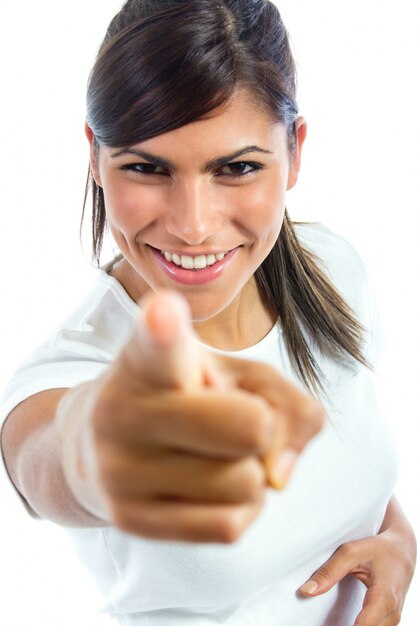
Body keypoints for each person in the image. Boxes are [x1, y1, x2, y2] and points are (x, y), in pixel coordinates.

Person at [0, 0, 415, 624]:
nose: (192, 226)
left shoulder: (334, 270)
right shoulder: (76, 367)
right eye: (146, 167)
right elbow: (48, 461)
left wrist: (400, 543)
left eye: (238, 167)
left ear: (295, 151)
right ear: (95, 156)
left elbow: (348, 458)